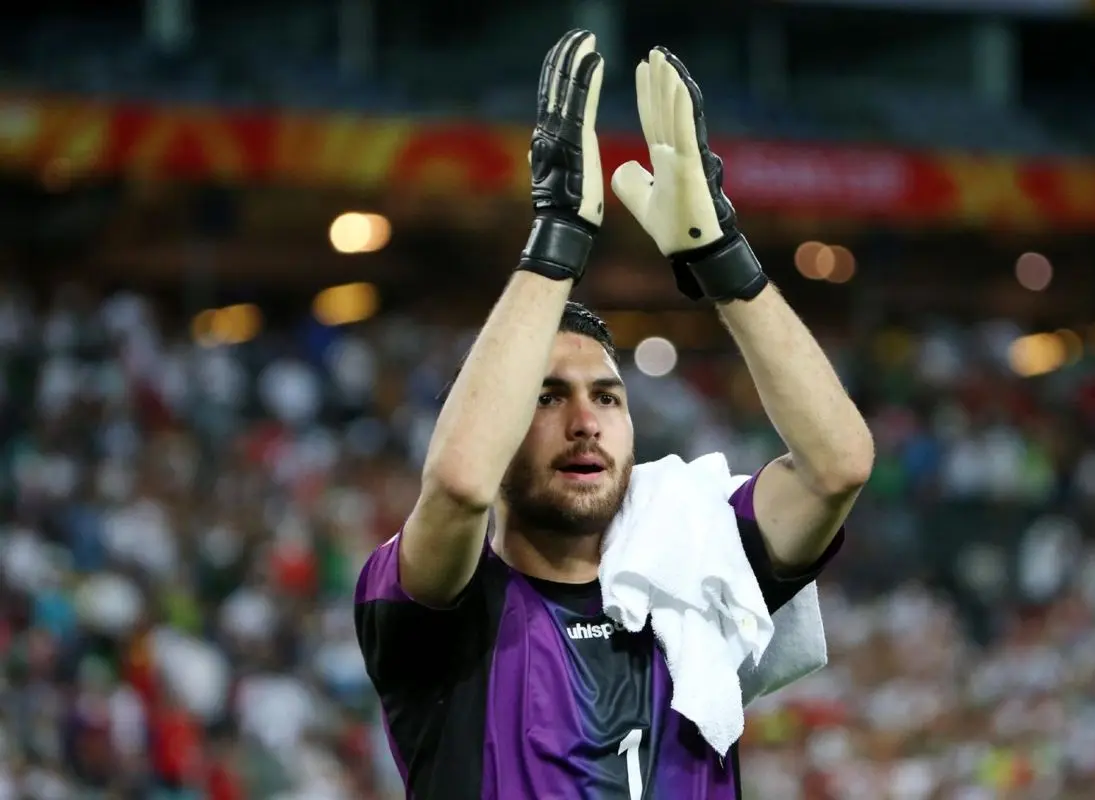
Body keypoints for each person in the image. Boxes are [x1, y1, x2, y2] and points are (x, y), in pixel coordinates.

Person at [354, 29, 875, 799]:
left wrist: (722, 258)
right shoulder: (438, 613)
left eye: (606, 396)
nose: (585, 420)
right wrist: (557, 240)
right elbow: (460, 484)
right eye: (546, 396)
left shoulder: (691, 560)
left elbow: (839, 465)